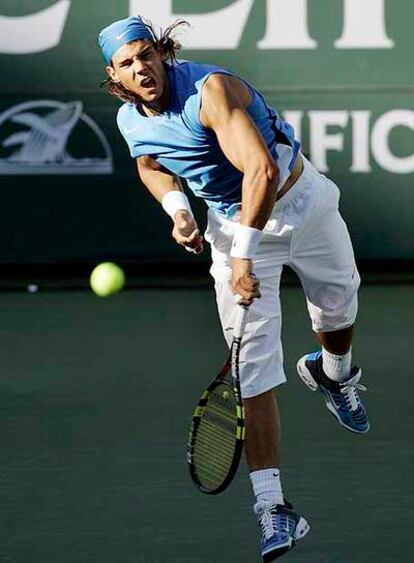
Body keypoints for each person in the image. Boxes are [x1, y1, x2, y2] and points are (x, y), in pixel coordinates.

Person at [98, 16, 370, 562]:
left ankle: (331, 373)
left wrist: (245, 251)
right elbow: (152, 165)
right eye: (127, 63)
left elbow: (261, 171)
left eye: (146, 55)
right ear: (116, 76)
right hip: (230, 229)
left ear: (162, 53)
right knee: (252, 369)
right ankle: (273, 509)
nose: (141, 68)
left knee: (337, 313)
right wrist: (178, 211)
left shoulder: (210, 90)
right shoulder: (132, 121)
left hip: (302, 204)